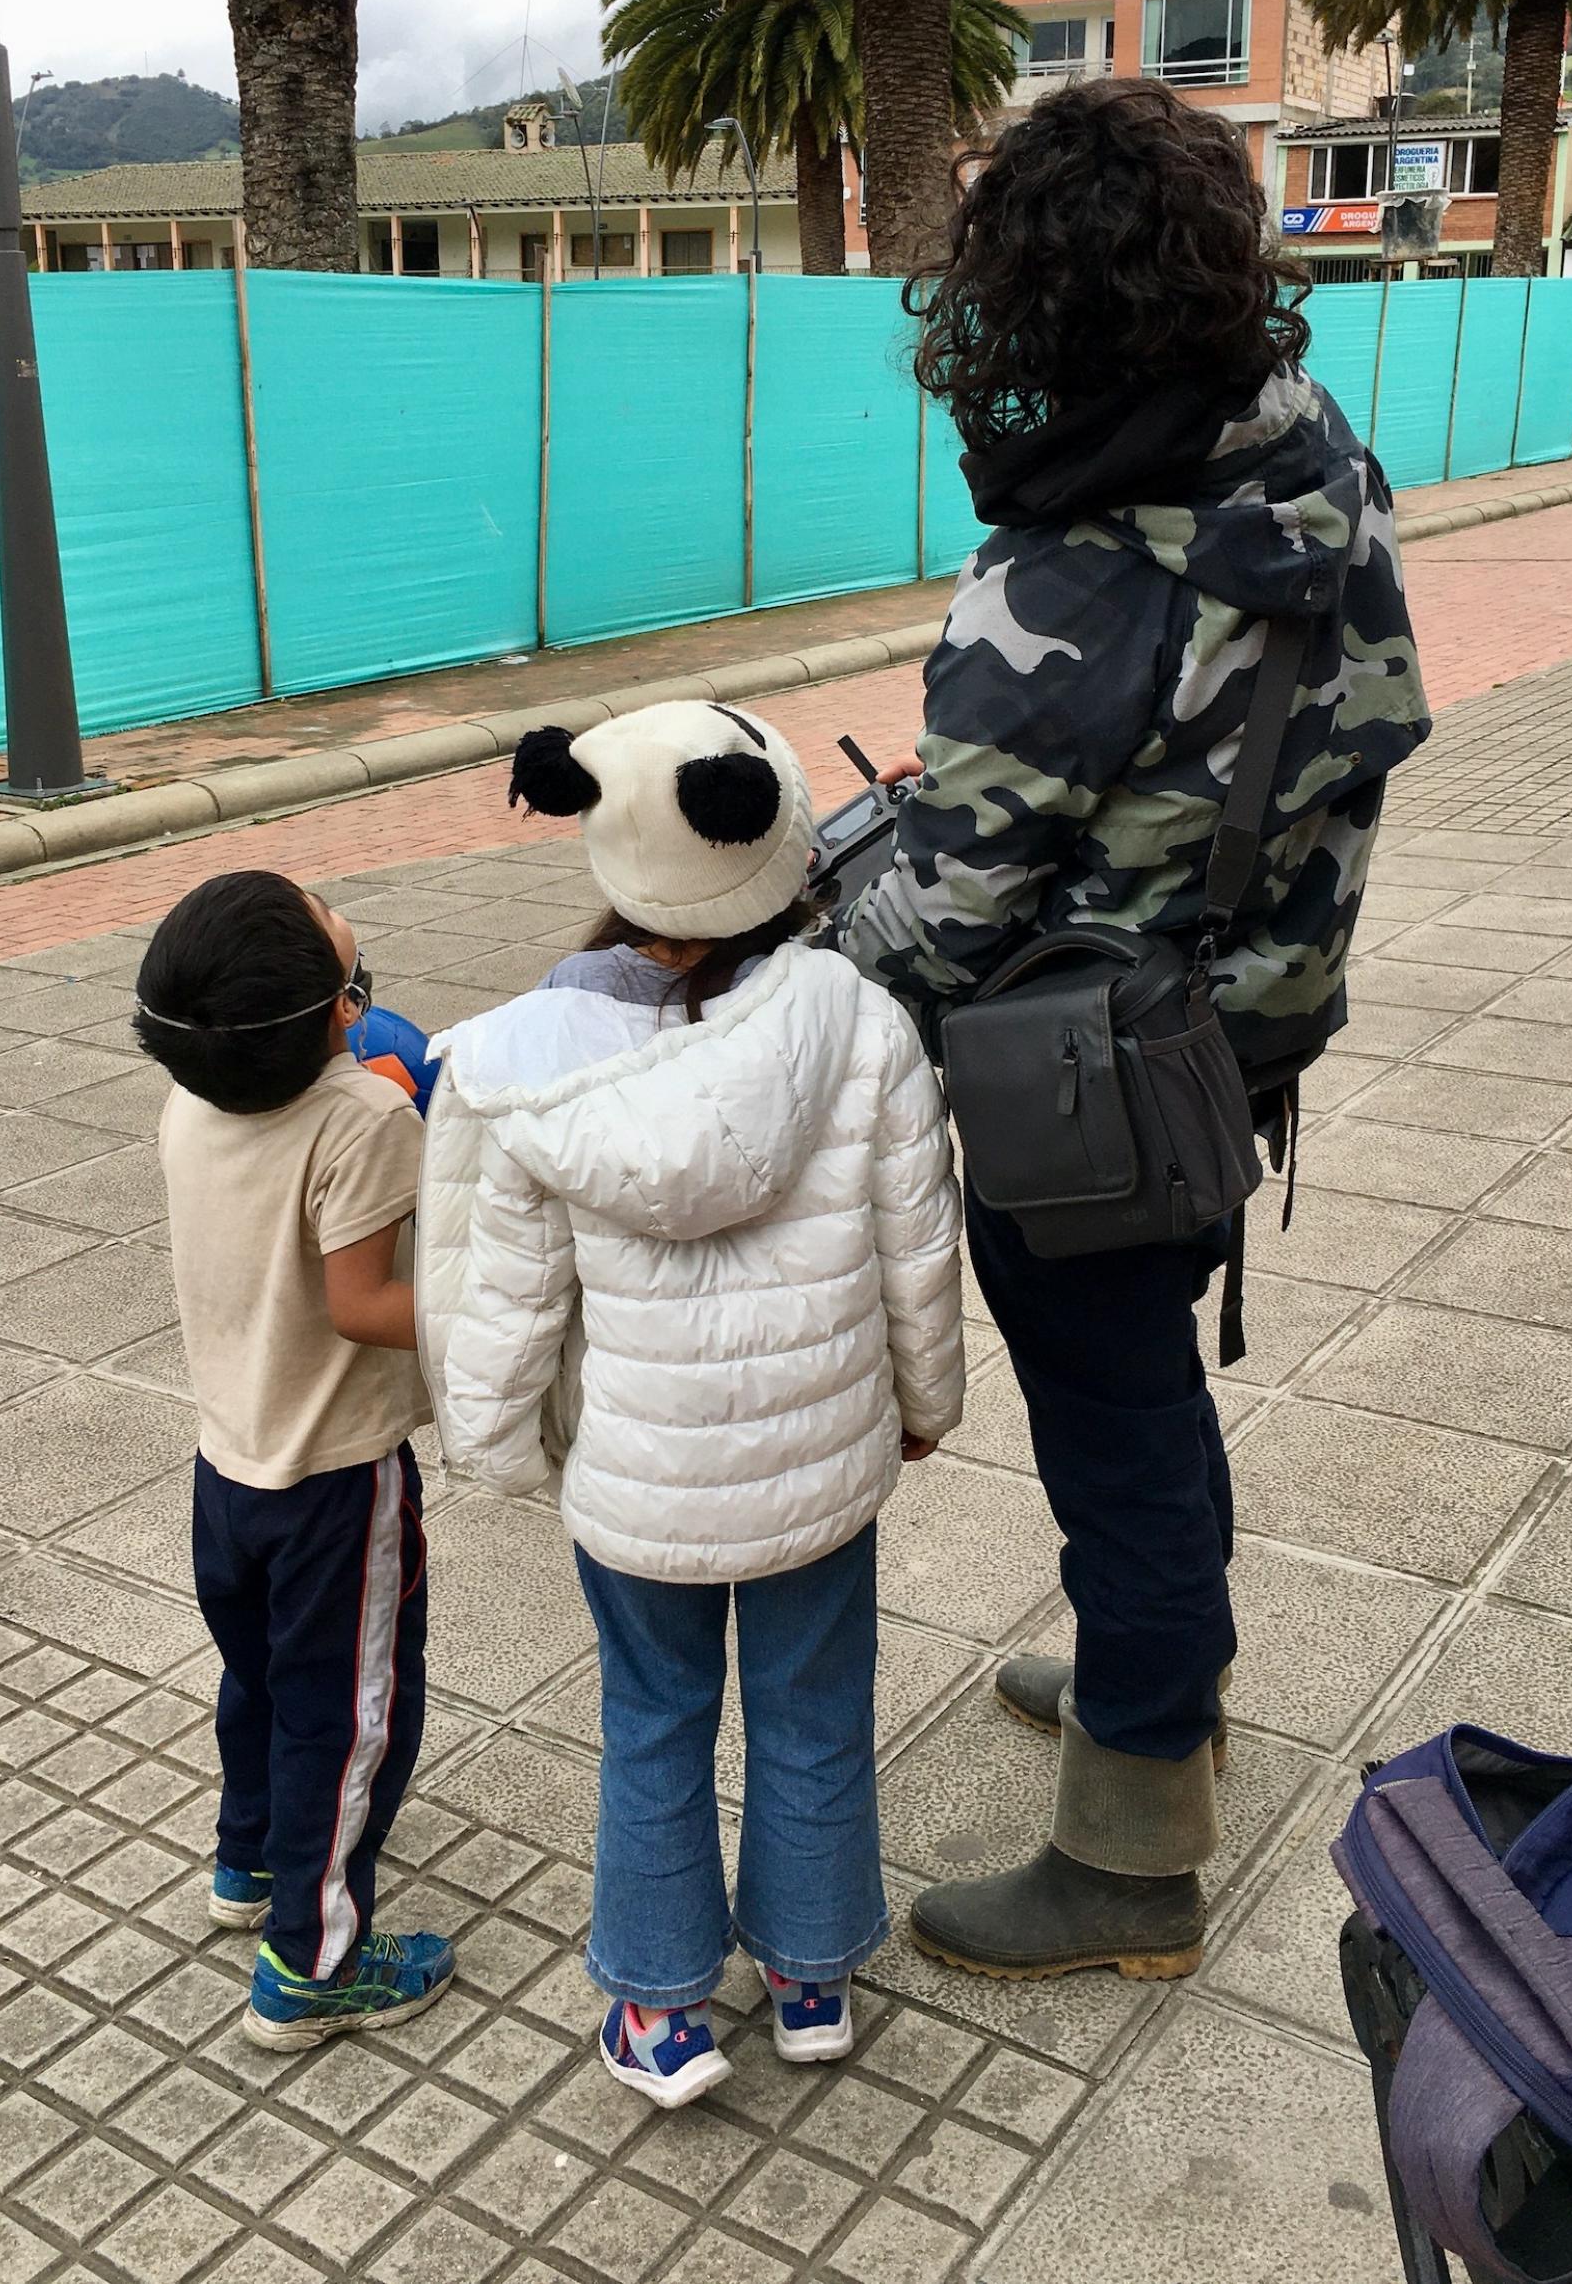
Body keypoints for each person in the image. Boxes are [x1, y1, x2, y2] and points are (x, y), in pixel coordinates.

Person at [839, 76, 1430, 1984]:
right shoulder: (1305, 456)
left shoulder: (1069, 564)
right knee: (1151, 1386)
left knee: (1113, 1425)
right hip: (1246, 1022)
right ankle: (1158, 1671)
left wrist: (797, 924)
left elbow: (944, 913)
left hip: (1081, 1079)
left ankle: (1129, 1848)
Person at [419, 702, 966, 2108]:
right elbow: (919, 1241)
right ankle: (809, 1976)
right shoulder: (859, 1020)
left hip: (638, 1486)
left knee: (653, 1719)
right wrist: (923, 1402)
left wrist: (489, 1436)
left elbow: (514, 1288)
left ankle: (660, 2013)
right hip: (819, 1468)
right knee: (813, 1709)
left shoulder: (542, 1064)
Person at [134, 868, 455, 2049]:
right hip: (337, 1478)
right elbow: (366, 1303)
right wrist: (506, 1305)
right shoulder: (365, 1119)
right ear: (331, 1011)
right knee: (352, 1712)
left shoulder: (189, 1101)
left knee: (260, 1680)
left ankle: (249, 1861)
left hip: (228, 1463)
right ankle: (315, 1960)